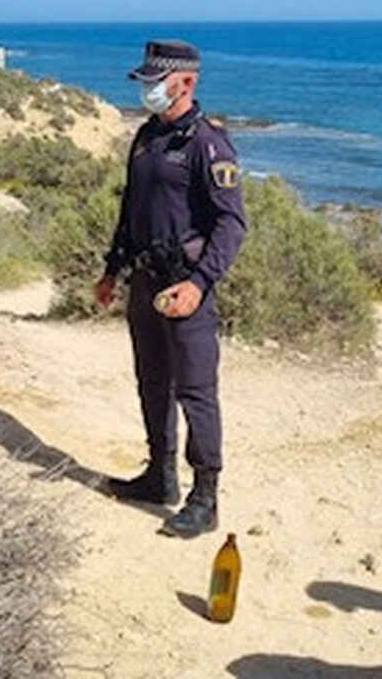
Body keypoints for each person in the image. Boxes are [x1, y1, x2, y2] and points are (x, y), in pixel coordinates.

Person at [95, 40, 248, 538]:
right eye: (144, 82)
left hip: (185, 287)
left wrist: (200, 283)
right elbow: (129, 211)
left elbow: (231, 224)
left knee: (195, 390)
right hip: (145, 281)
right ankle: (158, 477)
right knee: (152, 381)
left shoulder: (208, 144)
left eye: (154, 82)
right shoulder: (146, 137)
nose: (147, 90)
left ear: (186, 82)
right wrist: (112, 270)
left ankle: (206, 497)